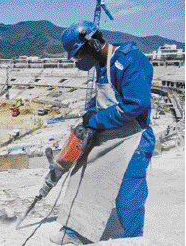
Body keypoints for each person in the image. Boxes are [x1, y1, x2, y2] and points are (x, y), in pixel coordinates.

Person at [50, 21, 155, 245]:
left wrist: (96, 120)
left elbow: (135, 106)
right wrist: (88, 118)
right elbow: (98, 101)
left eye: (79, 54)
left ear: (92, 44)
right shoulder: (101, 64)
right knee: (82, 176)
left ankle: (133, 238)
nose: (78, 60)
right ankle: (76, 231)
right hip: (110, 134)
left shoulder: (130, 60)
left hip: (133, 138)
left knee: (128, 197)